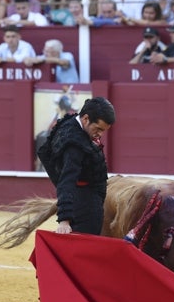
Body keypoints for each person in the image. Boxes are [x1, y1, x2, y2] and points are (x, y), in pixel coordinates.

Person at [37, 96, 116, 235]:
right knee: (85, 249)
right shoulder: (75, 145)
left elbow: (44, 151)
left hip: (82, 198)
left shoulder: (70, 122)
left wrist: (61, 182)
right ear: (85, 119)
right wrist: (64, 219)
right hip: (86, 205)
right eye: (98, 128)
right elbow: (67, 179)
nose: (100, 134)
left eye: (103, 130)